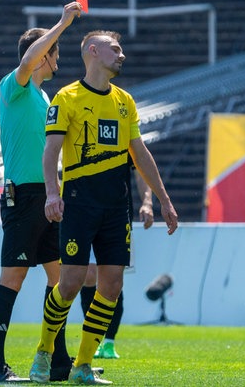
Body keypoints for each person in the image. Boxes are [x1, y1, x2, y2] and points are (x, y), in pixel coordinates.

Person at [29, 30, 179, 385]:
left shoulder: (125, 101)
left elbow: (139, 154)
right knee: (70, 284)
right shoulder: (67, 98)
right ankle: (44, 351)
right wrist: (53, 194)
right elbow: (50, 153)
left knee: (111, 285)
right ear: (93, 52)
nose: (122, 54)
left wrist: (163, 198)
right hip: (79, 204)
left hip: (116, 208)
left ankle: (82, 365)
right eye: (115, 49)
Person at [0, 1, 83, 383]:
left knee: (58, 280)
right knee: (13, 279)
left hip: (47, 197)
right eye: (53, 53)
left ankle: (58, 361)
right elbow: (27, 63)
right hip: (23, 196)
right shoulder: (15, 86)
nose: (58, 60)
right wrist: (62, 23)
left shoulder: (42, 98)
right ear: (44, 54)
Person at [79, 168, 154, 360]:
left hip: (118, 218)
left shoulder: (126, 138)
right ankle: (93, 339)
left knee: (113, 282)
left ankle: (109, 342)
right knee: (88, 277)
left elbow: (141, 171)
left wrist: (147, 202)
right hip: (86, 215)